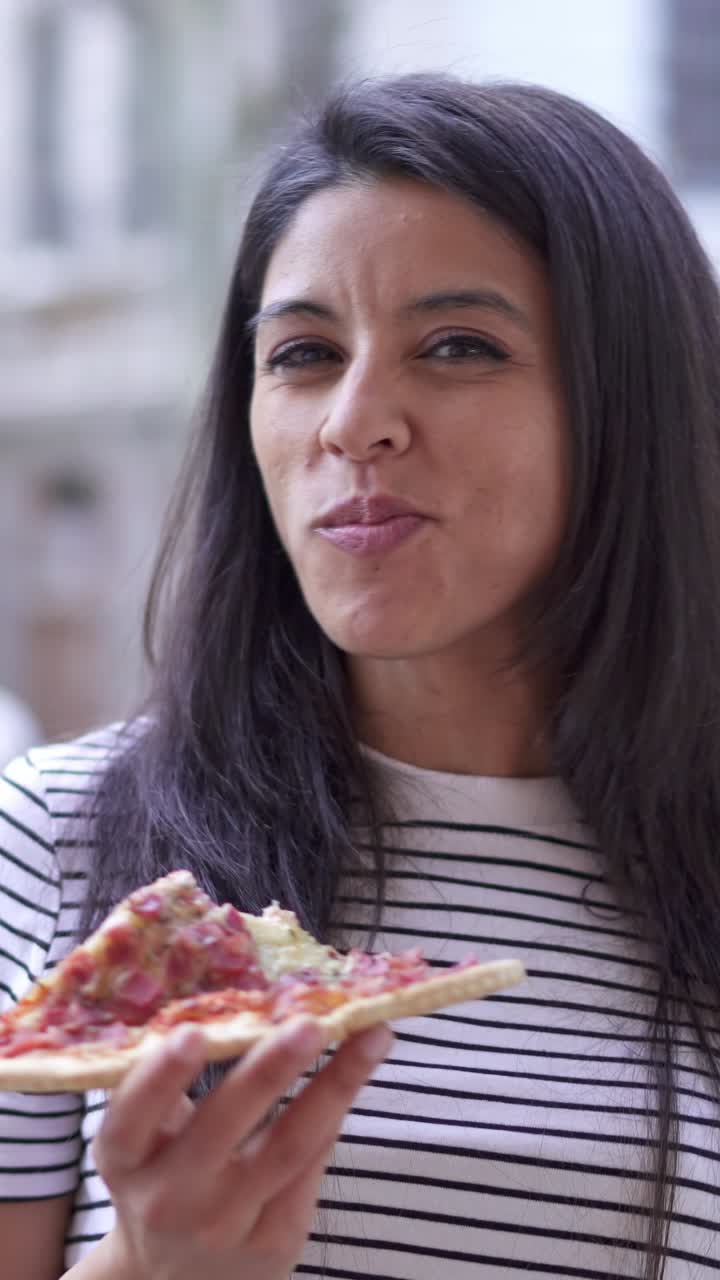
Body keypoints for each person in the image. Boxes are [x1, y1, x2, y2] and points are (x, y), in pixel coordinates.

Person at [1, 71, 720, 1280]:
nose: (354, 419)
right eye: (303, 353)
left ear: (634, 401)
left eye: (458, 346)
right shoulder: (57, 839)